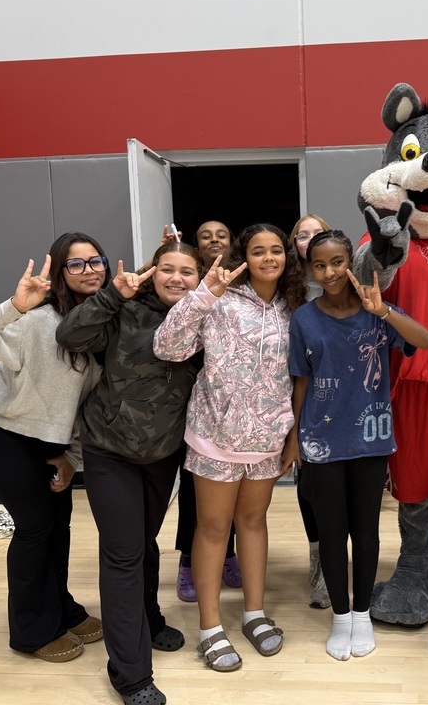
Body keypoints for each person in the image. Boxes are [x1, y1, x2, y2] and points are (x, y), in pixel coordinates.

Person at [0, 232, 110, 664]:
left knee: (60, 523)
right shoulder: (35, 320)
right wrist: (12, 307)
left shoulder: (103, 324)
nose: (89, 270)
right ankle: (31, 631)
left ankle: (62, 610)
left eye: (96, 261)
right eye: (76, 264)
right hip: (0, 429)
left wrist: (70, 458)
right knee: (35, 525)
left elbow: (83, 405)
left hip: (49, 438)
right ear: (59, 271)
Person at [154, 223, 307, 672]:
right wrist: (202, 294)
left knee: (254, 523)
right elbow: (168, 347)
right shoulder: (218, 299)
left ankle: (254, 615)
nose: (268, 258)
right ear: (244, 256)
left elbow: (300, 378)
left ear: (286, 258)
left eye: (276, 250)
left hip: (267, 438)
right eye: (258, 251)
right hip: (215, 435)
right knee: (214, 529)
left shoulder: (293, 308)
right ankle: (210, 627)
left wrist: (292, 434)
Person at [56, 242, 203, 705]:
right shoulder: (125, 310)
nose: (176, 278)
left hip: (163, 453)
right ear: (151, 272)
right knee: (121, 554)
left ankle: (149, 618)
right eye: (167, 269)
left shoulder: (205, 316)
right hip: (110, 450)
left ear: (199, 278)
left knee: (143, 543)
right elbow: (69, 336)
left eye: (187, 271)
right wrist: (111, 295)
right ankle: (130, 673)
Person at [288, 230, 428, 660]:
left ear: (352, 262)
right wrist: (294, 438)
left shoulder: (375, 312)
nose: (329, 272)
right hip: (321, 443)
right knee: (331, 535)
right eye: (319, 264)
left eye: (337, 262)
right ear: (310, 269)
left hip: (370, 438)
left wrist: (384, 310)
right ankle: (341, 617)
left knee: (365, 534)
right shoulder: (304, 319)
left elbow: (424, 341)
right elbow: (301, 382)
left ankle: (364, 614)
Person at [175, 219, 242, 603]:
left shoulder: (239, 283)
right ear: (195, 247)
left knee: (232, 492)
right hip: (190, 399)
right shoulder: (188, 281)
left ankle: (228, 553)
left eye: (222, 234)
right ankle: (187, 560)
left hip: (229, 404)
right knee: (193, 491)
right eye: (206, 236)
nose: (215, 240)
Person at [288, 213, 331, 609]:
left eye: (317, 232)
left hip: (341, 399)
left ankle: (339, 563)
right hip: (298, 395)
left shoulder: (341, 278)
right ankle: (319, 564)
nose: (310, 238)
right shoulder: (289, 288)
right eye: (302, 234)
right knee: (309, 490)